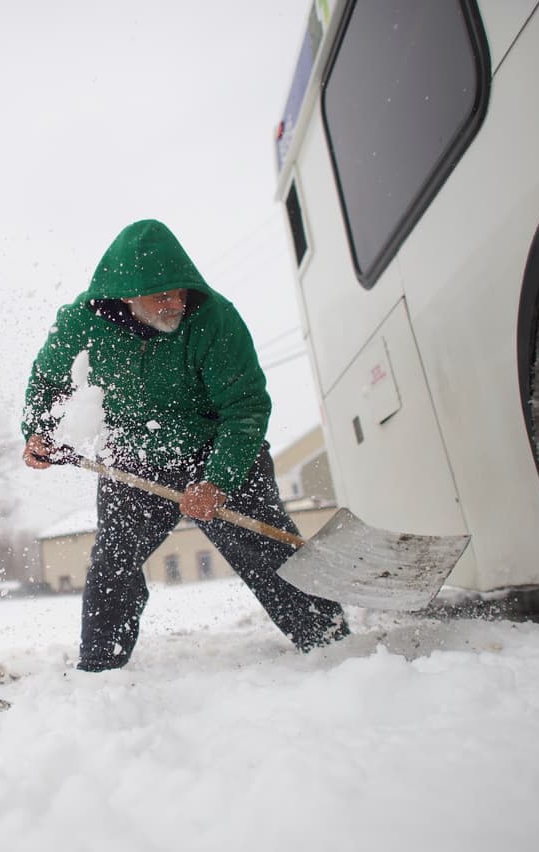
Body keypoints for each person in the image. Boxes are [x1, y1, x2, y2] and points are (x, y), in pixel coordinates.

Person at [22, 219, 349, 671]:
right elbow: (47, 381)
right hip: (134, 455)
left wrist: (218, 480)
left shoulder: (214, 318)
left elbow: (246, 407)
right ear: (127, 295)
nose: (176, 302)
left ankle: (330, 641)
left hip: (217, 448)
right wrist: (37, 431)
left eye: (180, 291)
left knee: (262, 545)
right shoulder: (83, 323)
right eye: (161, 295)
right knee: (115, 559)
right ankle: (99, 668)